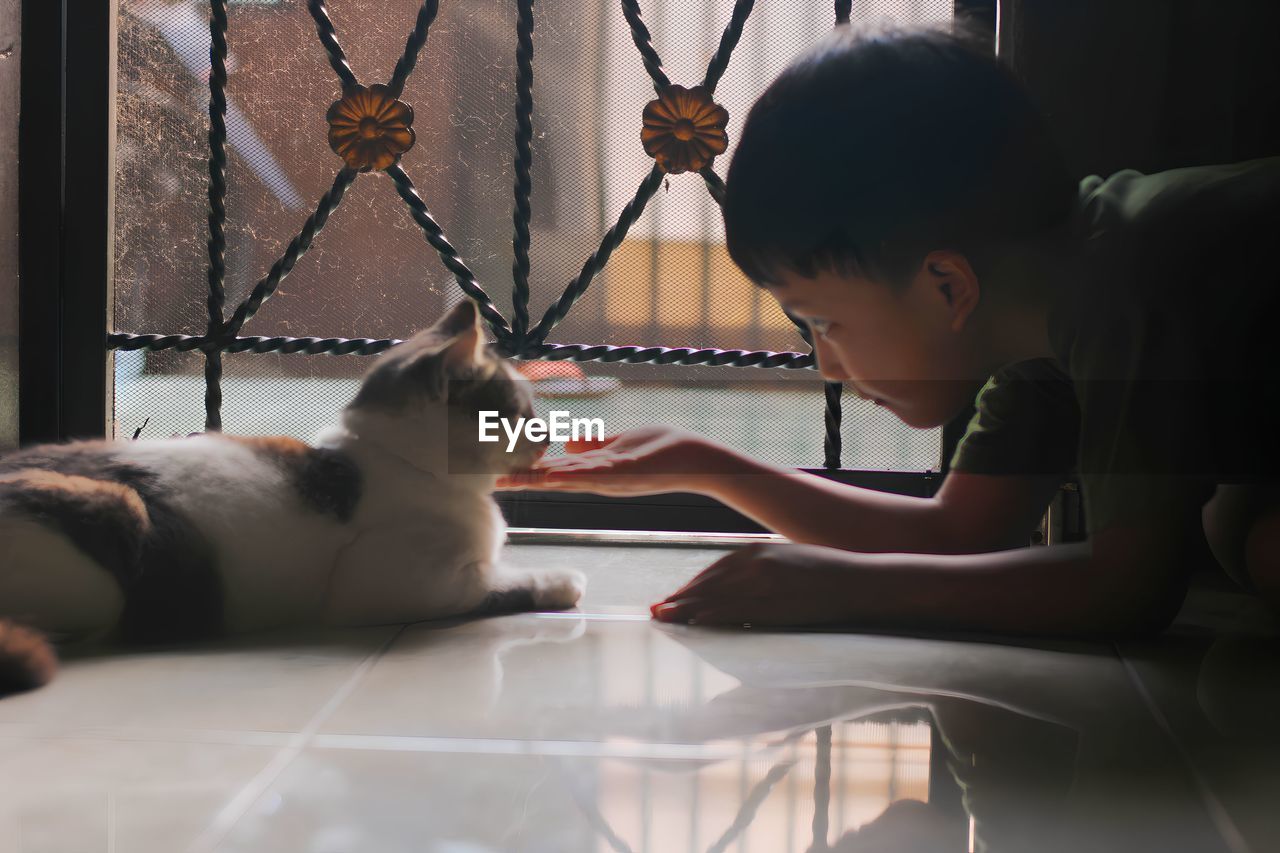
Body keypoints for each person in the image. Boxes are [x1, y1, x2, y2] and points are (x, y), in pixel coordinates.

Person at [497, 21, 1280, 637]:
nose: (829, 368)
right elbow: (961, 530)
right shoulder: (1031, 313)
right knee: (1238, 528)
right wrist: (705, 463)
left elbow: (1125, 590)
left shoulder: (1122, 280)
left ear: (946, 285)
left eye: (825, 324)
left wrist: (846, 588)